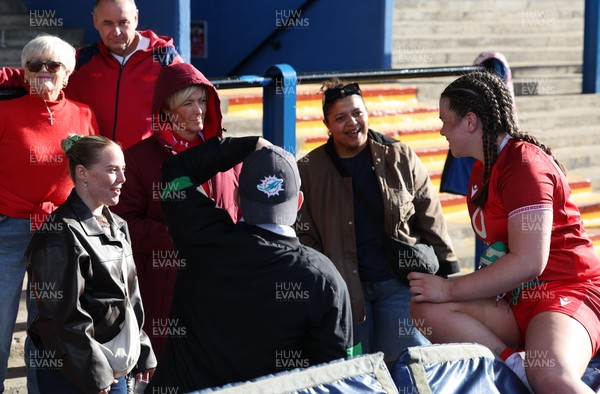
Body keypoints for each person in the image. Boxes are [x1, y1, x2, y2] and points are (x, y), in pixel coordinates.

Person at [409, 71, 600, 393]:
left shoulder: (524, 163)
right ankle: (513, 367)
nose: (441, 130)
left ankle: (528, 372)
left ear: (470, 122)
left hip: (565, 290)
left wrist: (450, 289)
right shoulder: (482, 167)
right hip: (516, 297)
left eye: (445, 121)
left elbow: (529, 263)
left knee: (550, 375)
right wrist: (441, 291)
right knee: (425, 306)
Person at [147, 136, 358, 392]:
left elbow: (175, 172)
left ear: (236, 196)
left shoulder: (201, 237)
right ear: (299, 203)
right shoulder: (325, 279)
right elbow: (341, 372)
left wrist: (246, 145)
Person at [295, 79, 459, 364]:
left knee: (408, 366)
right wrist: (324, 280)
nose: (352, 122)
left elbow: (428, 212)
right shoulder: (308, 170)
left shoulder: (399, 155)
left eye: (357, 112)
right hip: (346, 291)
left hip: (398, 284)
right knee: (359, 372)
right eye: (340, 117)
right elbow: (303, 235)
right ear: (327, 124)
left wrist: (447, 270)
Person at [111, 62, 241, 358]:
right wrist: (177, 236)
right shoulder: (139, 159)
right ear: (168, 111)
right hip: (167, 285)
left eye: (203, 101)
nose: (199, 110)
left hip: (223, 278)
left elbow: (239, 208)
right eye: (189, 103)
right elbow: (123, 224)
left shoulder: (226, 151)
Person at [0, 34, 99, 393]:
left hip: (61, 232)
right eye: (34, 66)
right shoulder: (5, 112)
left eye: (52, 65)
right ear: (23, 73)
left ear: (67, 73)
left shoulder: (84, 115)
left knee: (52, 322)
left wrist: (63, 209)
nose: (43, 71)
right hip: (8, 228)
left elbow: (92, 174)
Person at [25, 135, 157, 394]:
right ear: (82, 173)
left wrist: (142, 348)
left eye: (123, 170)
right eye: (112, 170)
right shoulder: (58, 234)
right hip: (74, 374)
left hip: (113, 366)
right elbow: (60, 319)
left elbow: (130, 299)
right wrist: (93, 371)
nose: (123, 179)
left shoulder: (118, 225)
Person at [0, 0, 182, 150]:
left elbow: (200, 94)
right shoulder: (83, 60)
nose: (116, 32)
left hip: (148, 171)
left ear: (135, 18)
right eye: (108, 23)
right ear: (95, 21)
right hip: (97, 173)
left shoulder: (165, 58)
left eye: (123, 22)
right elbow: (38, 75)